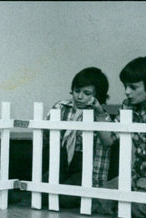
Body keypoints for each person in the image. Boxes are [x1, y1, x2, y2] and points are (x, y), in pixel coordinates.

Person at [92, 56, 146, 218]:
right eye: (125, 86)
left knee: (137, 203)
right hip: (135, 177)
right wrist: (100, 113)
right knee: (98, 198)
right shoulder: (128, 106)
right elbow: (108, 140)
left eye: (133, 87)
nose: (127, 92)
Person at [44, 67, 114, 208]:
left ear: (98, 95)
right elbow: (46, 134)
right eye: (77, 91)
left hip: (84, 167)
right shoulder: (61, 108)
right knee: (44, 192)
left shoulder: (102, 116)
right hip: (62, 161)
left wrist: (98, 112)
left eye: (86, 93)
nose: (79, 97)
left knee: (64, 199)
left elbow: (107, 143)